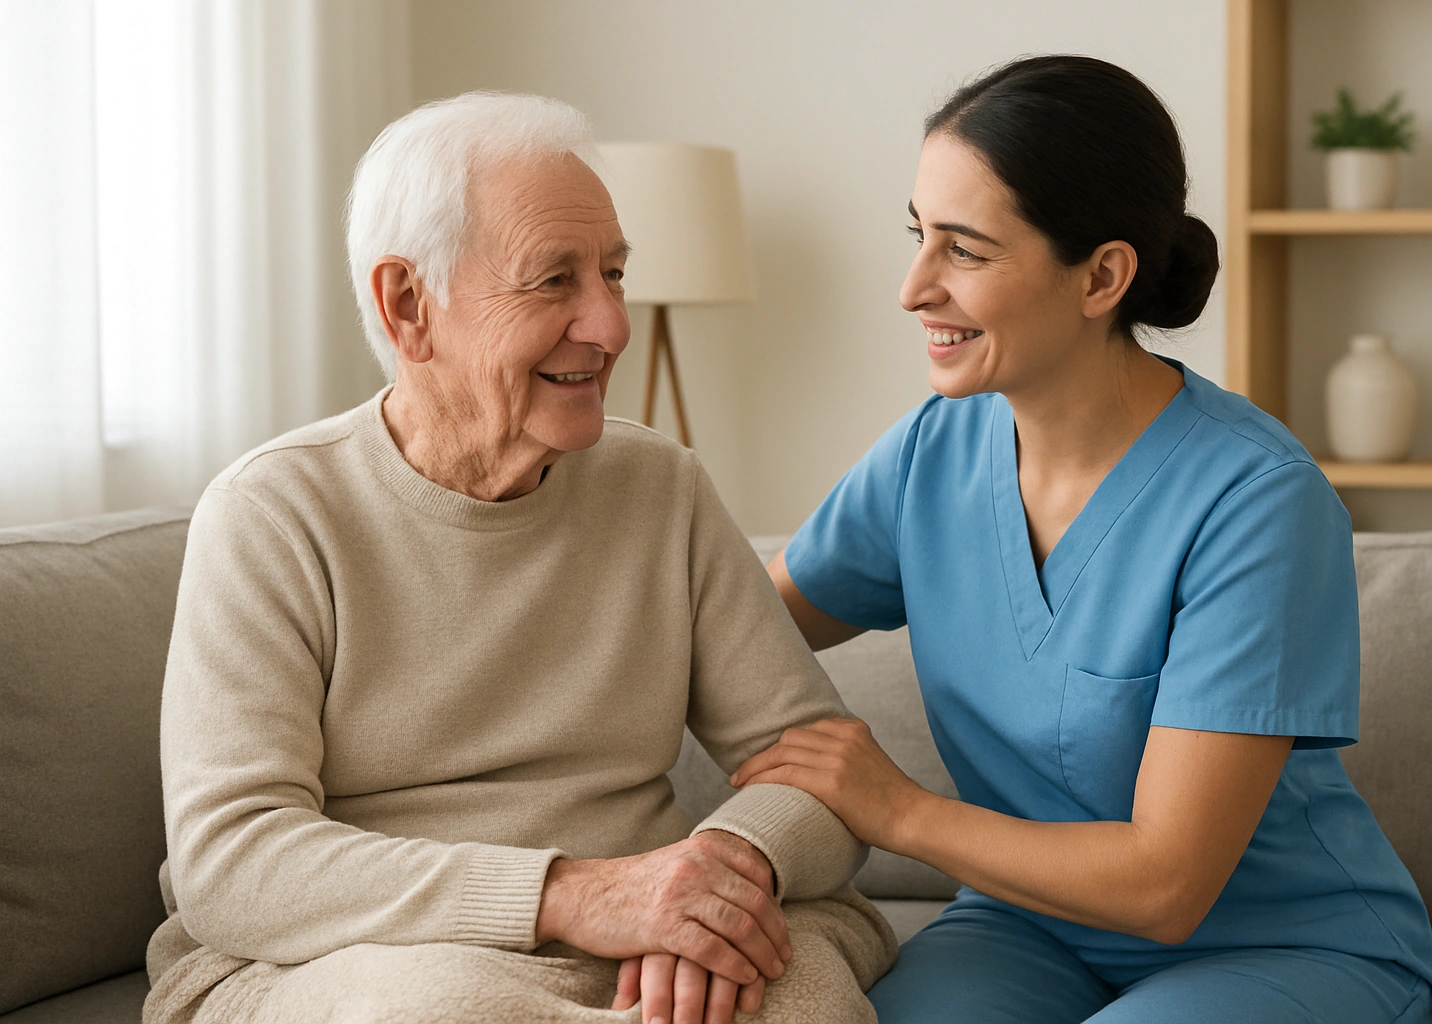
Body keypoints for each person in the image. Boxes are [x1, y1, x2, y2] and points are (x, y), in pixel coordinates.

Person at [143, 92, 895, 1024]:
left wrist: (713, 879)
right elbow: (234, 862)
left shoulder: (660, 487)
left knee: (801, 1001)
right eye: (553, 281)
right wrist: (573, 895)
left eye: (613, 274)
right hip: (367, 955)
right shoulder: (273, 514)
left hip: (647, 940)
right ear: (409, 306)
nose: (611, 326)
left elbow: (822, 770)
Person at [733, 56, 1432, 1024]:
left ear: (1102, 276)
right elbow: (735, 633)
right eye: (917, 235)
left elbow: (1166, 884)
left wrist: (896, 809)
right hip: (1027, 926)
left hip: (1282, 945)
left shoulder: (1257, 501)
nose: (913, 288)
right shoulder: (929, 455)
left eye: (965, 250)